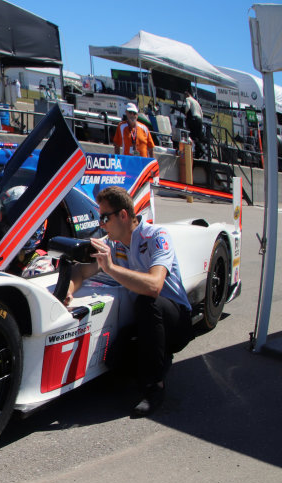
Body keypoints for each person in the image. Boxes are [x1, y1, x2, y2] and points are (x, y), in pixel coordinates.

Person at [65, 186, 191, 416]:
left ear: (123, 215)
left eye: (105, 217)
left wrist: (111, 268)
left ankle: (155, 386)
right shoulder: (113, 243)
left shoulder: (156, 236)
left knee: (146, 302)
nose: (101, 224)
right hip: (148, 321)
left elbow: (154, 286)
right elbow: (80, 272)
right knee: (114, 362)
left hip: (176, 320)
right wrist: (69, 292)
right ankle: (159, 358)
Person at [183, 90, 204, 158]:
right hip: (200, 119)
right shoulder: (196, 101)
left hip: (194, 118)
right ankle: (198, 153)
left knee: (193, 136)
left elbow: (188, 107)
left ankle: (201, 149)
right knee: (198, 137)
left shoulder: (187, 99)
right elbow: (201, 112)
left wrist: (186, 113)